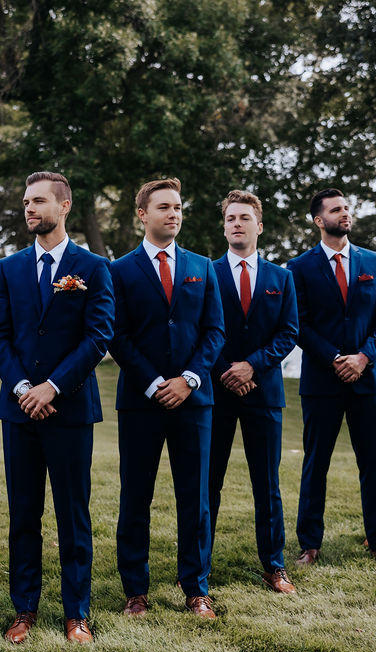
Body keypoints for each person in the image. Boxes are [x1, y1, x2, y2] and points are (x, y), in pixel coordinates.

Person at [0, 171, 114, 644]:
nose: (28, 209)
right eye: (25, 202)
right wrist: (23, 387)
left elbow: (98, 336)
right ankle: (24, 609)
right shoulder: (9, 267)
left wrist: (53, 387)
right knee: (23, 513)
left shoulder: (93, 268)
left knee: (72, 514)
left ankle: (76, 612)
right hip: (20, 411)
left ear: (64, 207)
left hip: (70, 410)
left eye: (37, 201)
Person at [109, 178, 225, 619]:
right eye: (163, 207)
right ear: (142, 214)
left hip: (194, 403)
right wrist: (155, 382)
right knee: (135, 497)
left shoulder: (202, 266)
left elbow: (214, 330)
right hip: (141, 402)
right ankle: (135, 590)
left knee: (194, 499)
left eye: (178, 206)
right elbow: (115, 334)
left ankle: (196, 588)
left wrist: (190, 379)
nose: (173, 213)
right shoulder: (118, 271)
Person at [287, 188, 376, 570]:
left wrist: (365, 356)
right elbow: (297, 324)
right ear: (319, 220)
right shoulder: (298, 268)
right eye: (337, 210)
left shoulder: (374, 260)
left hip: (370, 380)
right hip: (322, 380)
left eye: (347, 208)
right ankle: (309, 545)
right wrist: (335, 357)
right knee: (315, 463)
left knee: (375, 462)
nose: (345, 213)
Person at [209, 190, 298, 593]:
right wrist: (227, 368)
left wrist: (252, 366)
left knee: (268, 484)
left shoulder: (282, 278)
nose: (237, 224)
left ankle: (274, 566)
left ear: (259, 226)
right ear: (224, 226)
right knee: (208, 483)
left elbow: (289, 333)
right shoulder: (206, 273)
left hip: (264, 392)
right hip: (215, 392)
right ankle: (198, 566)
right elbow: (201, 330)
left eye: (244, 218)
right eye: (230, 219)